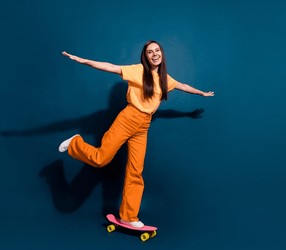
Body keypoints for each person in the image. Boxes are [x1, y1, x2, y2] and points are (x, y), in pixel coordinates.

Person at [59, 40, 214, 228]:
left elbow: (183, 86)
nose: (155, 54)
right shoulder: (138, 71)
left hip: (143, 126)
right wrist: (81, 60)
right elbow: (110, 67)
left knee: (135, 171)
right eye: (150, 52)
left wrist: (202, 94)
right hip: (128, 118)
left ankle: (128, 216)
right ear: (146, 56)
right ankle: (75, 143)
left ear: (162, 54)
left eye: (157, 50)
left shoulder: (166, 79)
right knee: (101, 158)